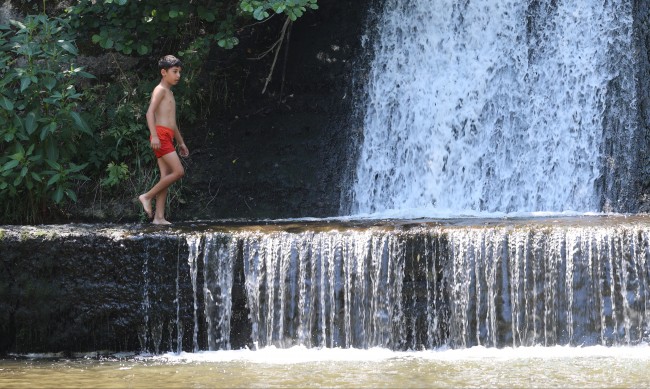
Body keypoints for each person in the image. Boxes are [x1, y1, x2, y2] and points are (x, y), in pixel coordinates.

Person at [138, 55, 189, 224]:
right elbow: (149, 112)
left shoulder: (169, 92)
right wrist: (153, 135)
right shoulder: (160, 90)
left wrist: (181, 142)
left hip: (167, 135)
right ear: (163, 72)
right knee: (178, 172)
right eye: (174, 72)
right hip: (159, 135)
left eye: (179, 72)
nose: (178, 76)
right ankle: (147, 196)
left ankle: (159, 217)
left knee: (166, 175)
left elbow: (173, 124)